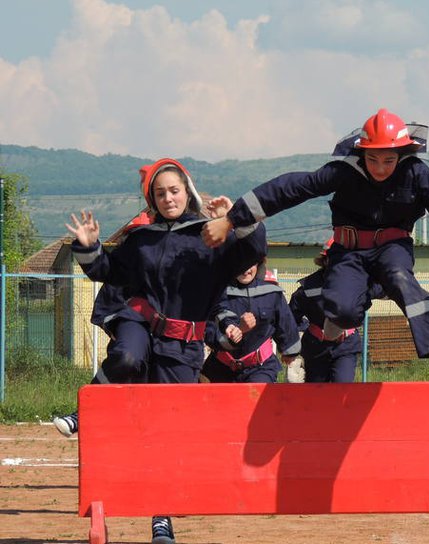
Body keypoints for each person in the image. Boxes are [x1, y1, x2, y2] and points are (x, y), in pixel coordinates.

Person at [65, 158, 266, 544]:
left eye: (174, 191)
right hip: (143, 328)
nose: (168, 198)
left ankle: (162, 520)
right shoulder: (142, 238)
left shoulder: (209, 235)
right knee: (125, 361)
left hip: (183, 349)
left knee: (166, 437)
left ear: (186, 191)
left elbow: (249, 256)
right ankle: (84, 411)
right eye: (159, 193)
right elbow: (111, 271)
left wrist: (239, 223)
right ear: (151, 200)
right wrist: (88, 248)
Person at [202, 108, 429, 384]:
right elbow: (291, 188)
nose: (381, 168)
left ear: (402, 153)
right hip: (349, 252)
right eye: (373, 159)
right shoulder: (345, 171)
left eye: (388, 160)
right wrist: (231, 219)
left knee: (402, 282)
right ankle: (339, 315)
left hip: (393, 248)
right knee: (342, 309)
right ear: (362, 152)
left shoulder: (416, 172)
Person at [53, 211, 154, 438]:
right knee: (127, 358)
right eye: (133, 238)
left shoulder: (177, 265)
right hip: (135, 343)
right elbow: (106, 295)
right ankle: (83, 413)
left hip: (175, 345)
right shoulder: (122, 272)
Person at [288, 238, 384, 383]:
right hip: (316, 349)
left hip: (346, 346)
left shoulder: (357, 282)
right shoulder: (308, 287)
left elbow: (382, 289)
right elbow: (290, 318)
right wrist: (298, 341)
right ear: (325, 260)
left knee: (343, 387)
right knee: (317, 395)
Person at [202, 260, 301, 383]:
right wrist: (235, 333)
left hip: (261, 368)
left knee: (256, 400)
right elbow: (210, 332)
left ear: (258, 264)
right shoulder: (218, 294)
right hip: (221, 367)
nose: (245, 269)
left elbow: (285, 322)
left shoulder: (271, 293)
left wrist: (290, 350)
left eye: (251, 263)